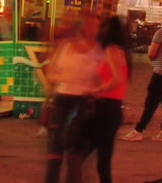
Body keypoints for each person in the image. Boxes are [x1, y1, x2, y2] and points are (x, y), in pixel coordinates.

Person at [42, 15, 105, 183]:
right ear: (82, 27)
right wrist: (68, 78)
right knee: (55, 146)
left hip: (83, 101)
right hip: (62, 98)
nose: (93, 30)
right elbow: (51, 73)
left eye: (96, 26)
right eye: (90, 25)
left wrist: (95, 89)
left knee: (75, 149)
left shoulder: (98, 50)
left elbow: (101, 77)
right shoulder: (66, 46)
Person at [72, 16, 129, 183]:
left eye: (101, 27)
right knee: (101, 159)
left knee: (81, 153)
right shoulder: (120, 51)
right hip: (112, 108)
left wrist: (98, 90)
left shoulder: (111, 50)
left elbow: (117, 79)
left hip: (105, 109)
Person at [124, 5, 162, 141]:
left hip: (161, 72)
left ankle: (138, 130)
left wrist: (152, 56)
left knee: (151, 103)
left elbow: (151, 54)